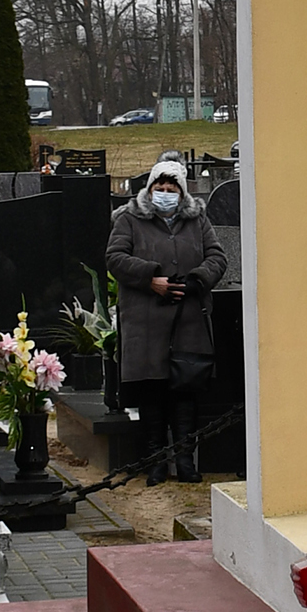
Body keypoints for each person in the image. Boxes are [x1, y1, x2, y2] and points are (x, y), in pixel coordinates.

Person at [104, 156, 226, 483]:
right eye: (160, 186)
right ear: (150, 188)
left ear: (182, 192)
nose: (166, 191)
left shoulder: (197, 221)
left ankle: (185, 461)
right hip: (146, 324)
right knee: (153, 396)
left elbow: (217, 256)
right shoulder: (130, 220)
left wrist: (199, 278)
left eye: (172, 187)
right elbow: (115, 258)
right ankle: (156, 462)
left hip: (187, 321)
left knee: (184, 395)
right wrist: (151, 278)